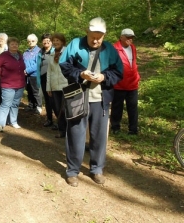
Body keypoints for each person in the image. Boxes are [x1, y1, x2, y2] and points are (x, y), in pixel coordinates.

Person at [59, 17, 123, 187]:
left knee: (99, 137)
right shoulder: (74, 44)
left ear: (104, 35)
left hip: (101, 99)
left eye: (99, 37)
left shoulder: (110, 49)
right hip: (78, 97)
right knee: (75, 134)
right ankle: (72, 171)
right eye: (92, 36)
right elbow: (64, 65)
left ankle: (97, 169)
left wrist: (104, 77)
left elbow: (118, 72)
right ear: (86, 32)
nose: (95, 40)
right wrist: (80, 75)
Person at [111, 28, 140, 135]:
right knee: (117, 107)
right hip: (119, 84)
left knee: (132, 107)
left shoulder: (133, 48)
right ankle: (115, 128)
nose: (130, 39)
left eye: (132, 37)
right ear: (121, 37)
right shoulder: (114, 49)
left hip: (133, 83)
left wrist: (137, 76)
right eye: (128, 37)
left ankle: (133, 129)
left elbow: (134, 63)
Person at [0, 37, 26, 132]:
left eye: (16, 44)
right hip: (8, 85)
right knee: (5, 104)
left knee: (15, 104)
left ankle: (13, 121)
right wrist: (2, 75)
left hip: (20, 84)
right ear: (8, 45)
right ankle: (0, 124)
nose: (14, 45)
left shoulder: (20, 55)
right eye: (12, 44)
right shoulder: (4, 55)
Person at [46, 33, 68, 138]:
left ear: (62, 41)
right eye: (54, 41)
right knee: (58, 109)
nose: (55, 42)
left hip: (66, 85)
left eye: (57, 40)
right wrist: (48, 87)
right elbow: (49, 72)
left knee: (66, 109)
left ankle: (70, 131)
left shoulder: (68, 52)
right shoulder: (51, 54)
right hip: (54, 86)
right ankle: (62, 130)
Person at [36, 33, 55, 127]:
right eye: (44, 40)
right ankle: (49, 119)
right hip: (43, 78)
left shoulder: (56, 51)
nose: (46, 42)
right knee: (47, 100)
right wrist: (38, 81)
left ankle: (60, 122)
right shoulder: (40, 52)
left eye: (48, 40)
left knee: (55, 100)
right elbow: (38, 67)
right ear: (42, 42)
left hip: (54, 79)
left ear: (51, 42)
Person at [23, 34, 42, 114]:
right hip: (26, 75)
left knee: (36, 91)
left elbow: (38, 64)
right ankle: (31, 105)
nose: (31, 43)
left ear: (36, 41)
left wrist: (27, 70)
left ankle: (39, 107)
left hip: (35, 74)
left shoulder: (39, 51)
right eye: (29, 41)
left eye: (32, 41)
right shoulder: (25, 52)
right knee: (29, 90)